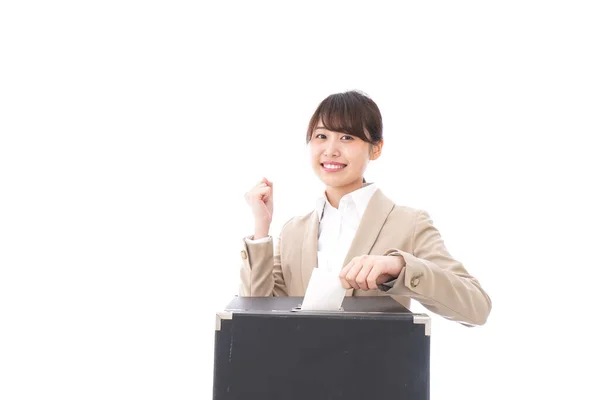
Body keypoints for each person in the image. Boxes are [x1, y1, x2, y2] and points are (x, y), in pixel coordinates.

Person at [239, 90, 491, 326]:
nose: (331, 150)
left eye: (347, 137)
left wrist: (400, 268)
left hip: (375, 371)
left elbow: (477, 308)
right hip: (298, 372)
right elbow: (253, 317)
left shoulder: (408, 223)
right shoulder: (294, 230)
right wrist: (261, 230)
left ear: (377, 148)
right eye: (321, 136)